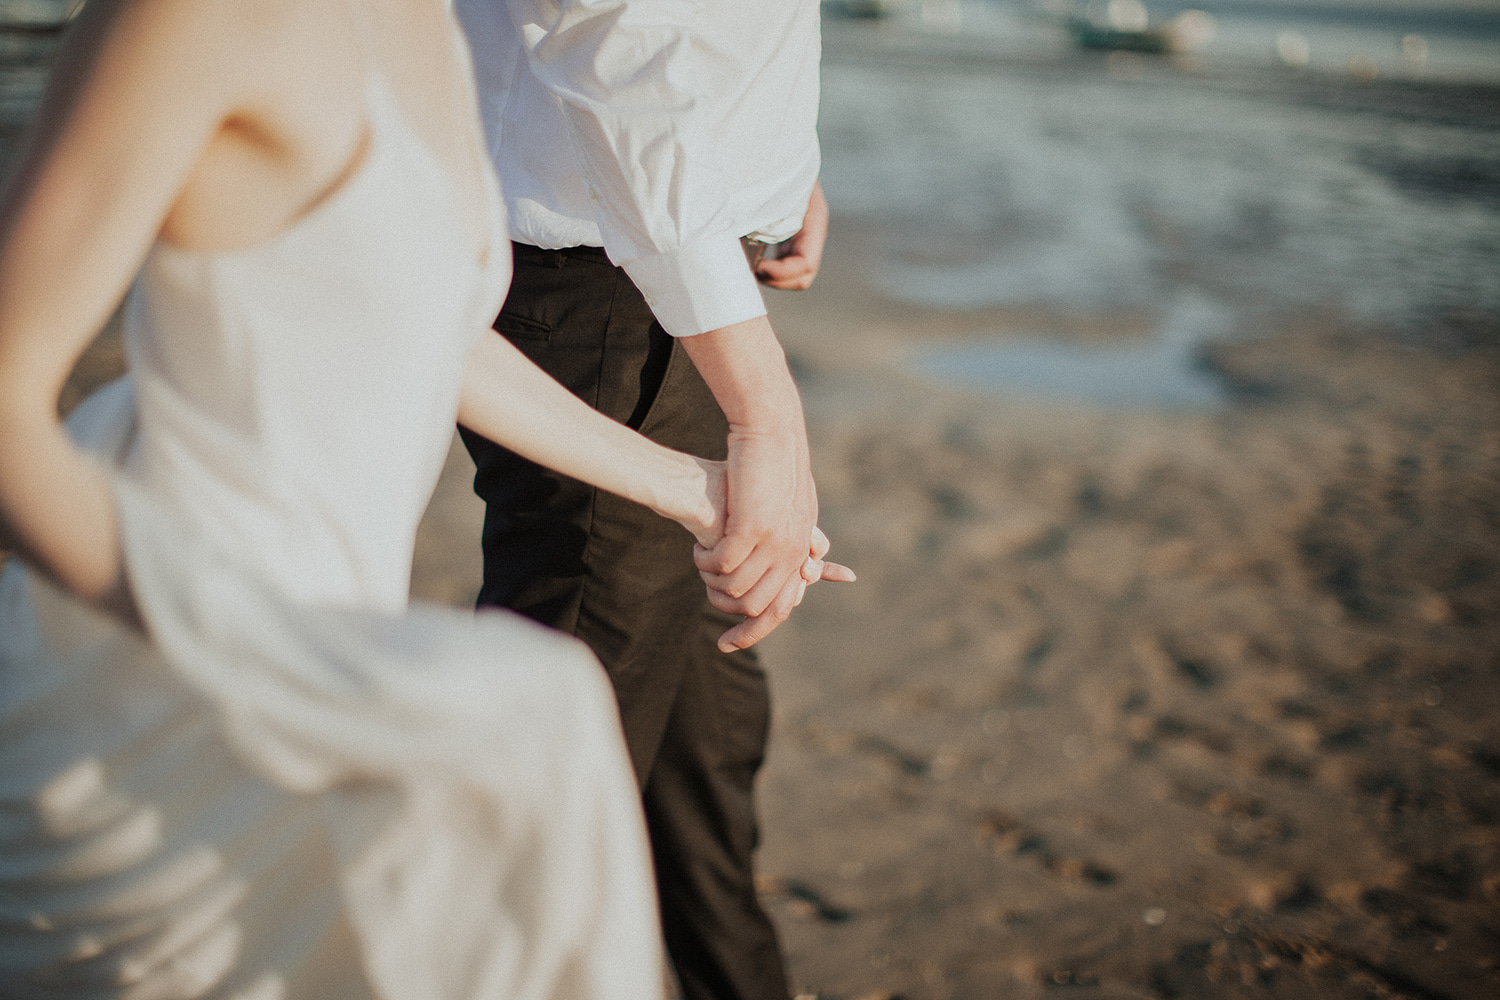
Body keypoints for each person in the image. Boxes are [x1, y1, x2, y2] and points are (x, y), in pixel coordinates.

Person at [0, 1, 842, 997]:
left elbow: (434, 328)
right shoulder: (201, 17)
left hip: (347, 636)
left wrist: (688, 489)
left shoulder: (430, 24)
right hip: (165, 680)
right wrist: (283, 657)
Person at [453, 2, 837, 997]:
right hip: (608, 280)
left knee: (703, 748)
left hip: (693, 253)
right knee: (561, 805)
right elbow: (608, 30)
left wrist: (780, 163)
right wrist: (767, 411)